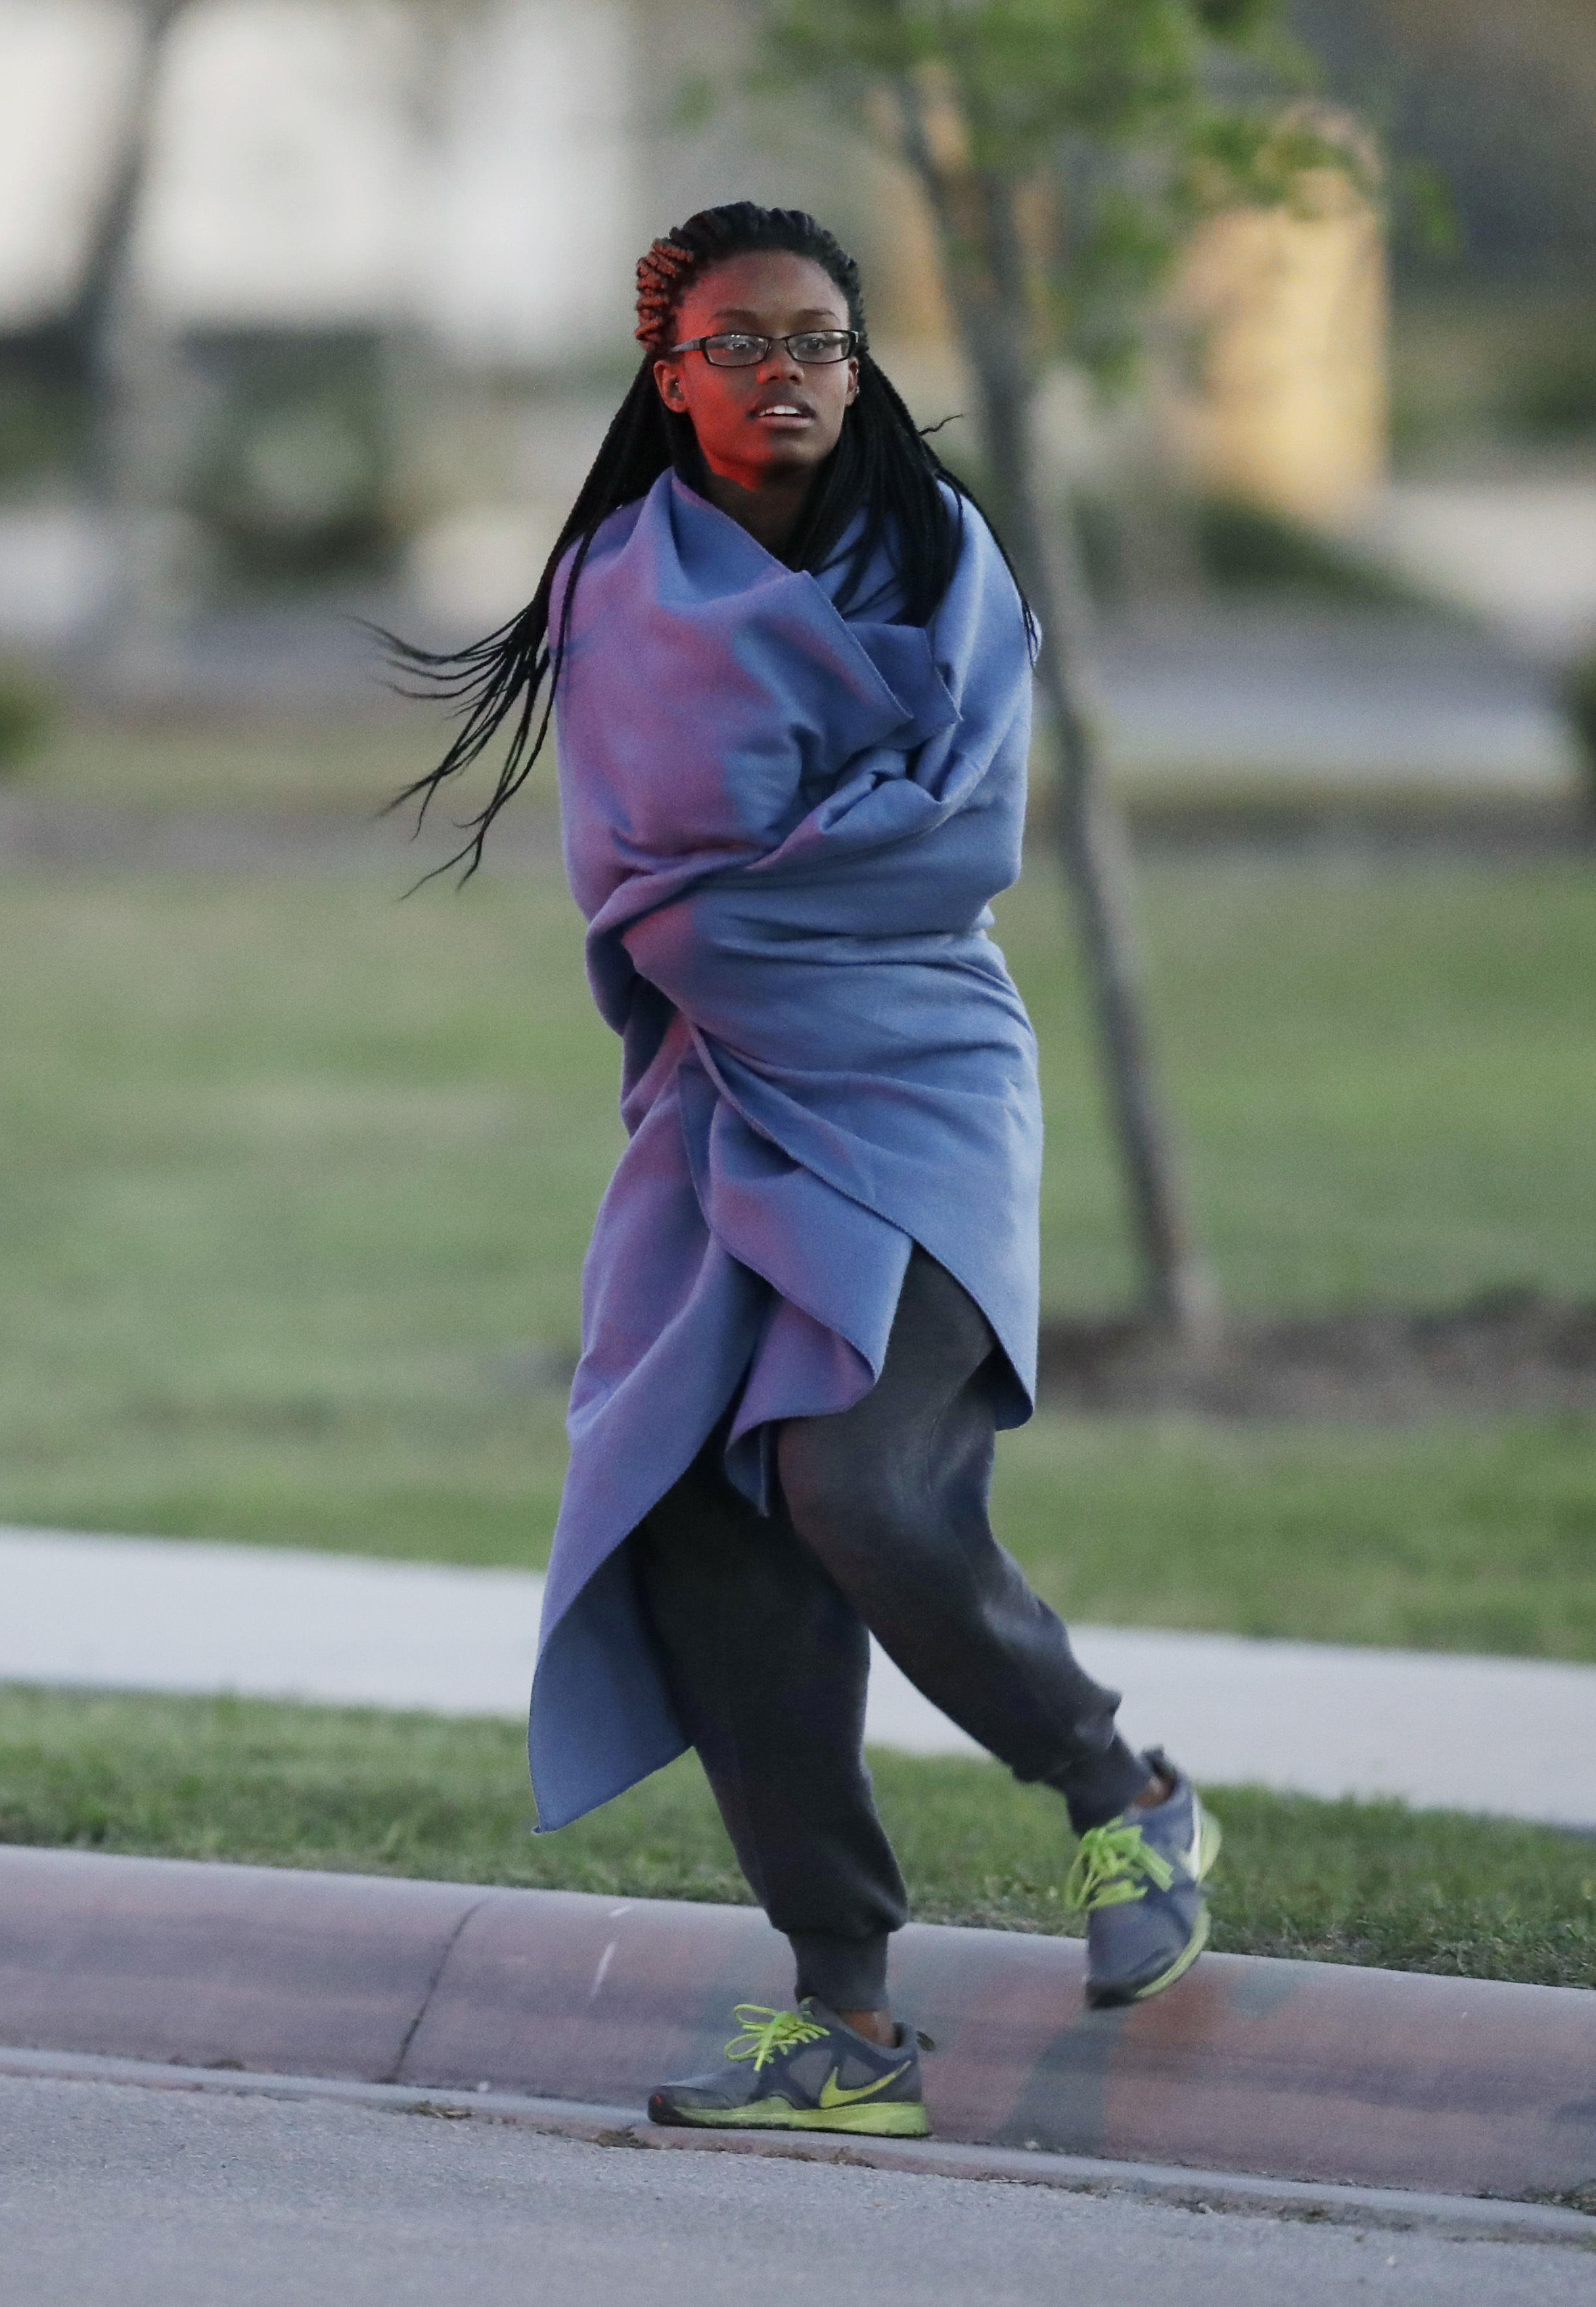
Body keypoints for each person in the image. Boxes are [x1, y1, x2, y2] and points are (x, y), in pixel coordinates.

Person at [396, 204, 1218, 2139]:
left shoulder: (943, 555)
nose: (789, 373)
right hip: (714, 1108)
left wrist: (765, 898)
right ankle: (846, 2020)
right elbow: (654, 890)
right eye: (742, 340)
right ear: (665, 371)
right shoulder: (618, 584)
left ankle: (1119, 1786)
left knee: (858, 1473)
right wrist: (784, 888)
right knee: (704, 1528)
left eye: (823, 342)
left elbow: (954, 847)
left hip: (919, 1083)